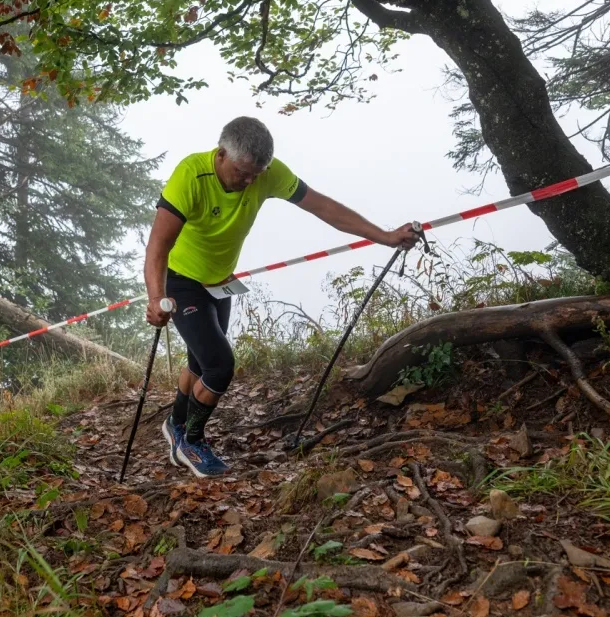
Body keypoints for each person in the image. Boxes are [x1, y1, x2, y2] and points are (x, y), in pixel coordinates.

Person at [144, 117, 416, 478]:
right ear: (222, 154)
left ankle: (176, 424)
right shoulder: (191, 176)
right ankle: (190, 440)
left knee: (199, 361)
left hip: (220, 281)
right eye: (243, 172)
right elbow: (158, 245)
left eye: (257, 174)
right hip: (181, 281)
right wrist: (156, 297)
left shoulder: (266, 173)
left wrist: (383, 236)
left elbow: (323, 207)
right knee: (219, 365)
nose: (249, 181)